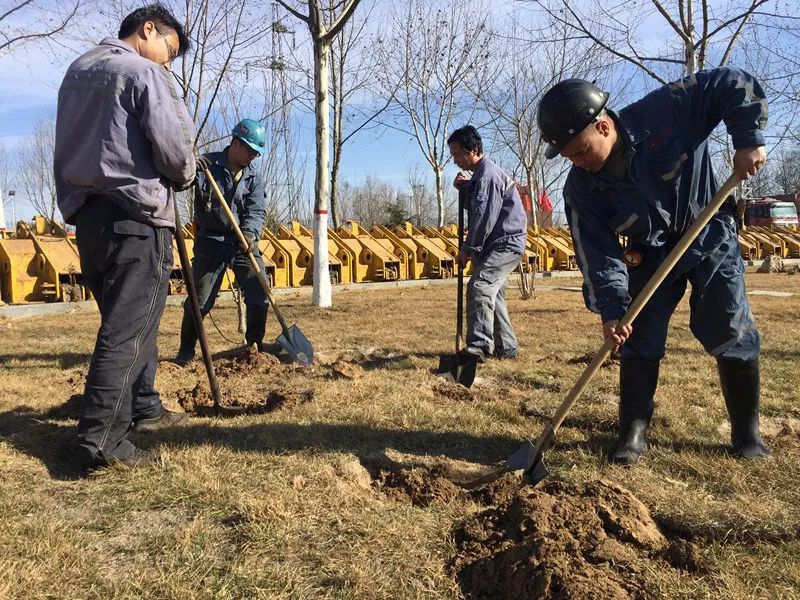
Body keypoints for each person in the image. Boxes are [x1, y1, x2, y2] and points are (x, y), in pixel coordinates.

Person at [537, 68, 769, 464]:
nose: (576, 162)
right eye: (569, 156)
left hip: (708, 231)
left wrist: (747, 140)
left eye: (580, 150)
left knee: (729, 324)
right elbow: (597, 253)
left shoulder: (666, 111)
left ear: (605, 127)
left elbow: (733, 83)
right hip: (649, 251)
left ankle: (746, 435)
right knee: (637, 334)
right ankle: (633, 431)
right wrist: (612, 311)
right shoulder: (581, 186)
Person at [54, 4, 196, 469]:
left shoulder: (77, 72)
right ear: (147, 29)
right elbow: (175, 156)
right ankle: (101, 440)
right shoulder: (142, 73)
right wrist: (187, 173)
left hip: (89, 220)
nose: (168, 62)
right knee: (127, 330)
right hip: (136, 218)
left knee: (132, 322)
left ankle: (143, 405)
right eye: (169, 50)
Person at [173, 118, 268, 365]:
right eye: (250, 151)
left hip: (241, 243)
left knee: (260, 290)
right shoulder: (206, 165)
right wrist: (188, 166)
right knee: (199, 300)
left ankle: (254, 348)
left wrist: (249, 235)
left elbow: (257, 211)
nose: (253, 157)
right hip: (211, 240)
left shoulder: (254, 178)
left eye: (256, 153)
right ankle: (185, 352)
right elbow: (178, 183)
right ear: (235, 143)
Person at [448, 126, 528, 362]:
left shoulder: (487, 175)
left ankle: (480, 345)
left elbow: (484, 216)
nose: (455, 161)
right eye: (452, 156)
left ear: (473, 150)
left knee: (480, 286)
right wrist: (465, 189)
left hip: (505, 242)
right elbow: (477, 207)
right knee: (494, 294)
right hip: (497, 243)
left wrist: (468, 248)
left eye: (458, 155)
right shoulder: (480, 177)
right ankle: (507, 347)